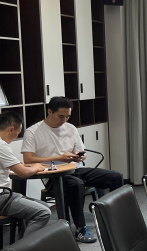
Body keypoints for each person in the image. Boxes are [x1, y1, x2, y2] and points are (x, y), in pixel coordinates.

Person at [21, 96, 124, 243]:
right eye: (61, 116)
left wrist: (80, 157)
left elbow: (82, 152)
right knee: (76, 185)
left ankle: (115, 218)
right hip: (53, 175)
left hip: (75, 169)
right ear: (49, 111)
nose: (64, 120)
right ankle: (80, 229)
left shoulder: (71, 128)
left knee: (115, 177)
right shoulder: (33, 131)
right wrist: (59, 158)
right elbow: (28, 159)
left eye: (67, 116)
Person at [0, 112, 51, 233]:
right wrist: (36, 167)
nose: (16, 137)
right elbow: (23, 173)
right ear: (11, 129)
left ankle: (24, 239)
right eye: (17, 133)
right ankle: (26, 245)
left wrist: (20, 166)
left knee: (44, 206)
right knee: (43, 212)